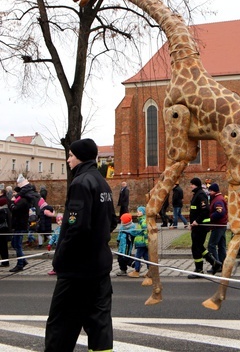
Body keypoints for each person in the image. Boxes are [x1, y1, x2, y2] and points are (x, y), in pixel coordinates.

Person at [45, 138, 117, 352]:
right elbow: (110, 221)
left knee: (60, 326)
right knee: (99, 324)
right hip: (100, 266)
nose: (68, 159)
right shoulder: (102, 182)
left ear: (80, 157)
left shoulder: (80, 182)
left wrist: (59, 261)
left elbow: (77, 229)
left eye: (71, 155)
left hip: (77, 270)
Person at [187, 177, 221, 279]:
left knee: (196, 247)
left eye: (191, 184)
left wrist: (197, 221)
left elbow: (205, 210)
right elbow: (194, 211)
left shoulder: (200, 194)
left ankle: (200, 270)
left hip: (201, 226)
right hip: (197, 226)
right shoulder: (196, 194)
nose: (190, 186)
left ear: (196, 184)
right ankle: (214, 263)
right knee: (198, 246)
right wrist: (192, 224)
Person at [8, 174, 38, 272]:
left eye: (15, 192)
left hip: (20, 225)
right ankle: (23, 260)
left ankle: (20, 264)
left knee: (17, 244)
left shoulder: (23, 201)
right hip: (18, 224)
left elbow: (15, 210)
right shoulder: (21, 200)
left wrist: (11, 203)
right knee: (15, 243)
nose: (13, 194)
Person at [207, 183, 227, 274]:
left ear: (214, 191)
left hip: (218, 226)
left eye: (210, 191)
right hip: (222, 225)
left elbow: (220, 213)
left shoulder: (218, 200)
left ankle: (216, 264)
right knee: (221, 246)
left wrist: (210, 217)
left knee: (211, 245)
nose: (209, 193)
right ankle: (223, 264)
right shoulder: (218, 198)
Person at [127, 206, 149, 278]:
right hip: (141, 243)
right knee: (146, 257)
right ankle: (150, 270)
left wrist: (146, 242)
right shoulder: (141, 220)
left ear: (144, 212)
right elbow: (139, 232)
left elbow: (145, 232)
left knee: (137, 257)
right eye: (137, 211)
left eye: (140, 211)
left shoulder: (143, 221)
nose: (138, 212)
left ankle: (136, 271)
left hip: (142, 243)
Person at [0, 188, 11, 267]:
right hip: (5, 230)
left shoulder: (3, 211)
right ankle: (5, 261)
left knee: (3, 247)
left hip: (2, 230)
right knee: (3, 247)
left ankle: (5, 262)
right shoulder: (6, 209)